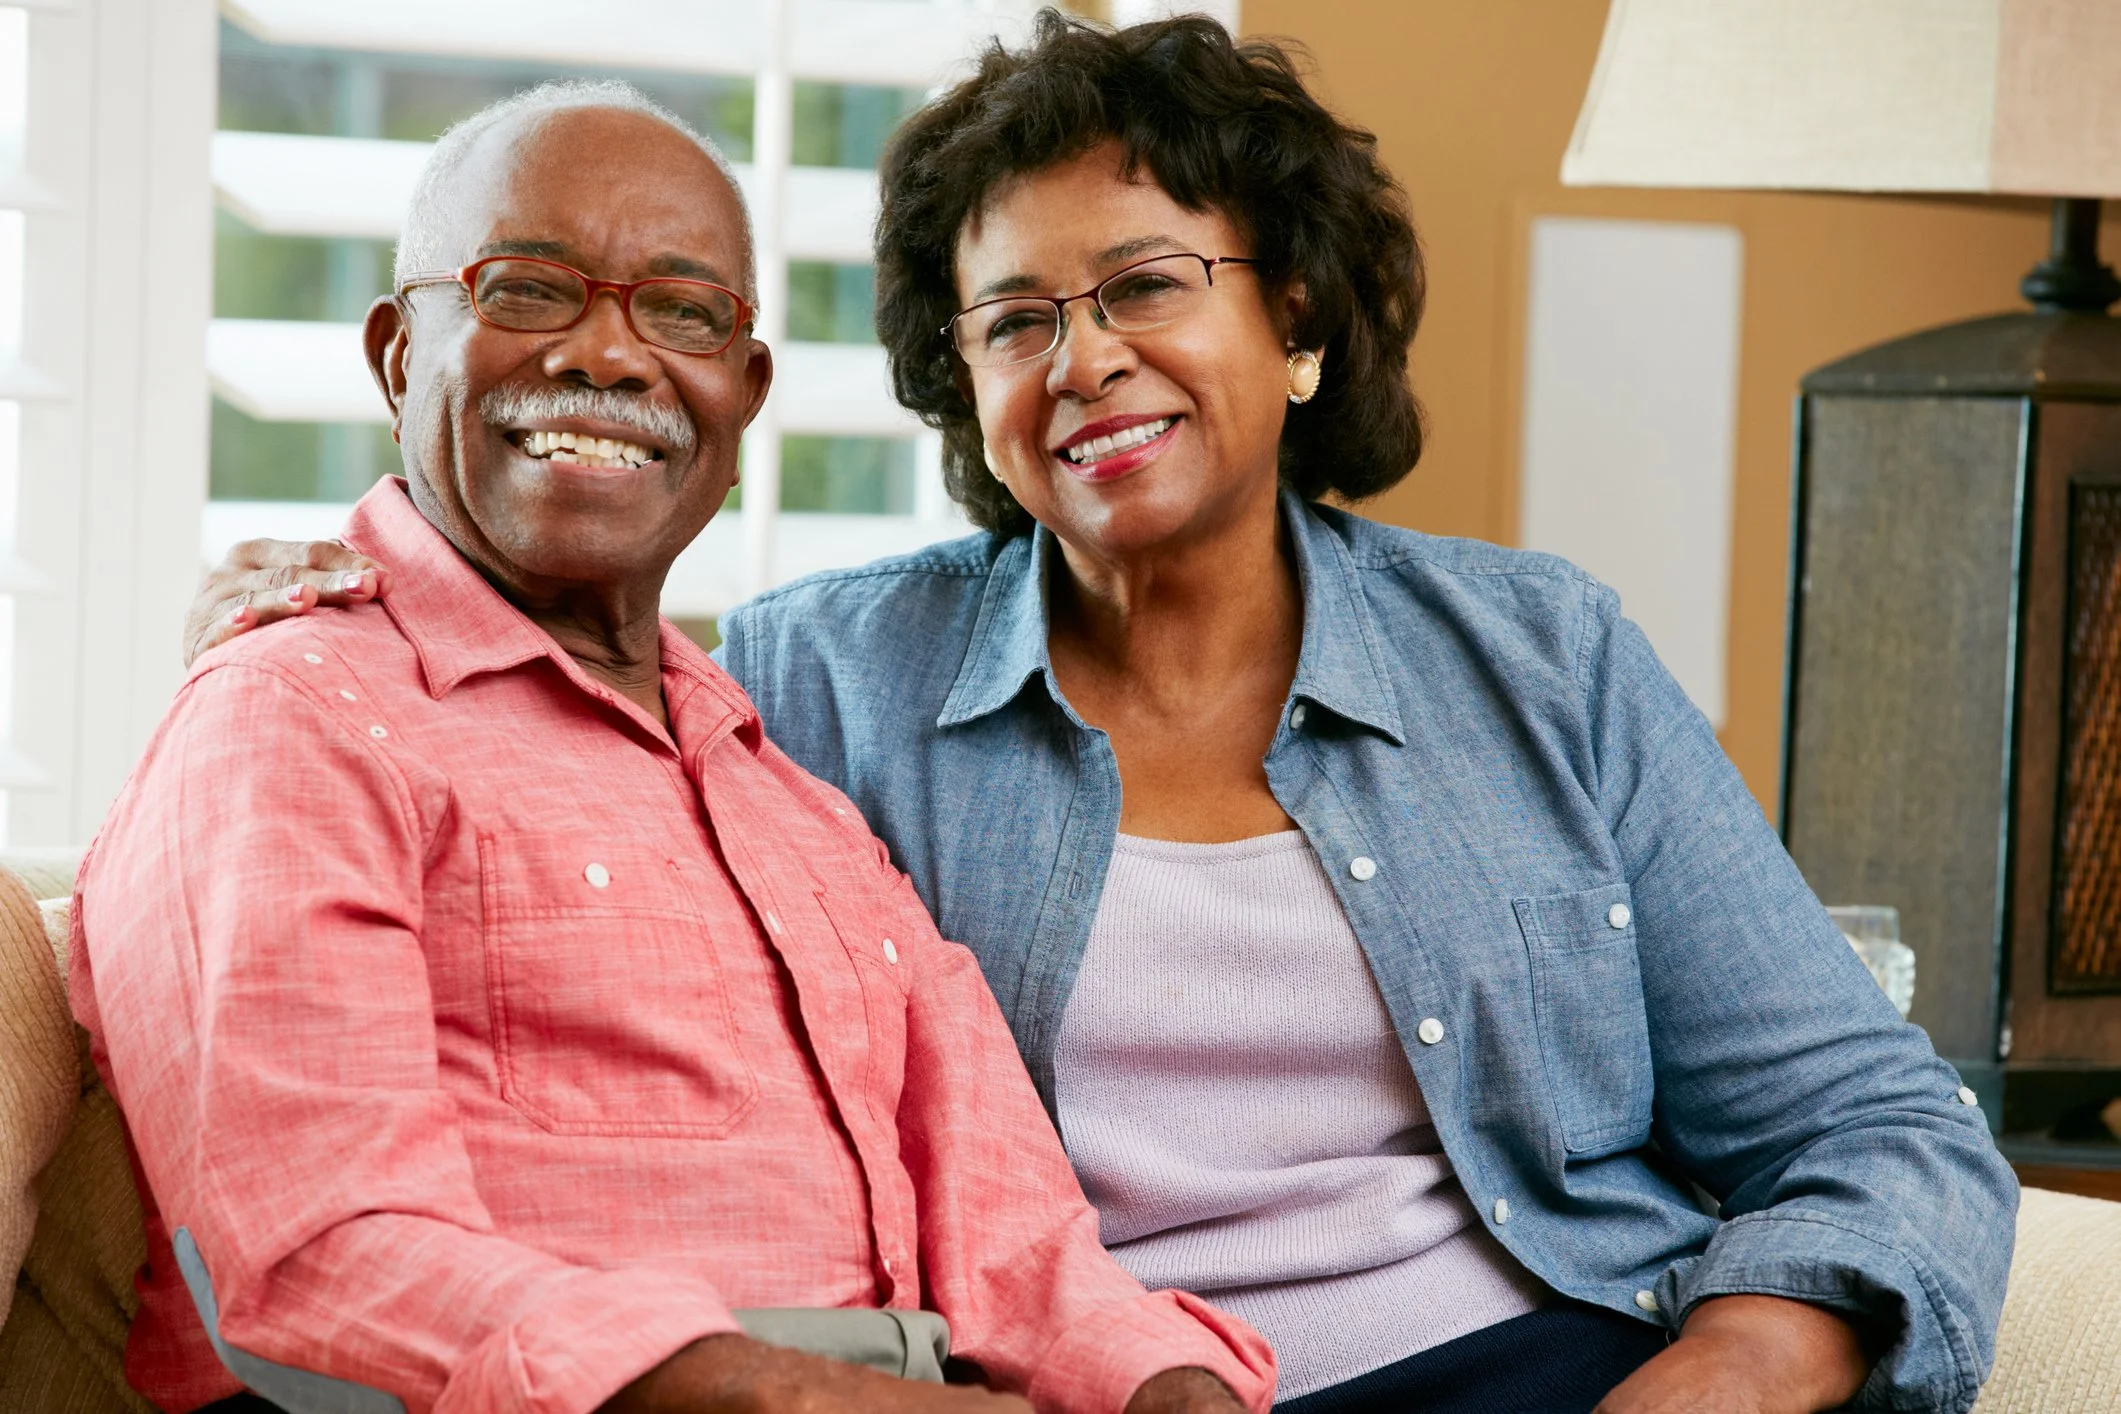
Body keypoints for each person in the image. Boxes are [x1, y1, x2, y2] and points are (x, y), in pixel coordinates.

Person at [185, 14, 2018, 1414]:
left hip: (1555, 1362)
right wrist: (336, 582)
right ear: (960, 380)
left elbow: (1874, 1120)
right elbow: (546, 712)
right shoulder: (822, 681)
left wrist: (1728, 1373)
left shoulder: (1543, 658)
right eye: (1012, 319)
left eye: (1148, 284)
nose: (1083, 359)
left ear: (1293, 317)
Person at [77, 81, 1276, 1414]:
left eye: (683, 309)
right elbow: (318, 1250)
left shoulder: (794, 793)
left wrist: (1175, 1388)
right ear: (399, 354)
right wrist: (791, 1397)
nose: (606, 355)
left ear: (744, 390)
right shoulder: (296, 713)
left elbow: (1022, 1248)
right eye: (531, 288)